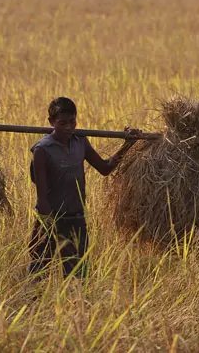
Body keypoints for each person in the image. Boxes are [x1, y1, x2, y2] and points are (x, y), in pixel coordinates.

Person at [28, 97, 141, 278]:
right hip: (51, 218)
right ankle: (35, 306)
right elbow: (42, 196)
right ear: (51, 122)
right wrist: (50, 226)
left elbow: (105, 168)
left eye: (72, 121)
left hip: (76, 217)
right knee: (39, 273)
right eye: (62, 122)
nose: (68, 127)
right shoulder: (43, 149)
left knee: (78, 277)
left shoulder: (80, 142)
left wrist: (127, 145)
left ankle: (76, 307)